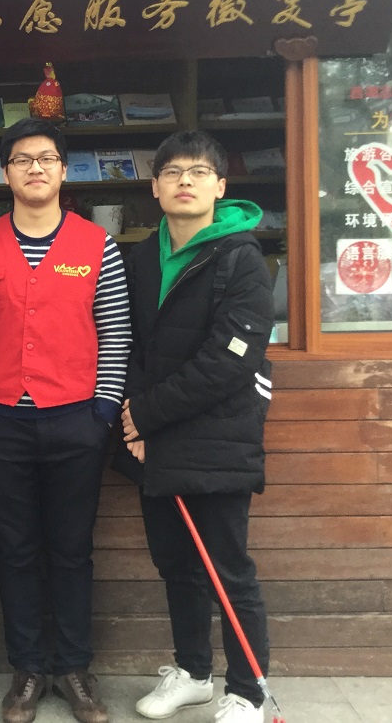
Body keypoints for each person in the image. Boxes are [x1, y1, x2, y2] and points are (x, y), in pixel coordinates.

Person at [0, 118, 131, 723]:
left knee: (72, 550)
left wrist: (103, 411)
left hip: (77, 420)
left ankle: (75, 669)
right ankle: (28, 669)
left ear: (63, 169)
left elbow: (115, 333)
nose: (35, 168)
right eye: (22, 159)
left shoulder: (97, 245)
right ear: (5, 173)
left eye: (47, 158)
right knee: (16, 550)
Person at [113, 131, 275, 723]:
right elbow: (126, 345)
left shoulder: (240, 258)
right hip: (154, 441)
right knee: (176, 564)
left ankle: (248, 692)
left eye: (199, 172)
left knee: (227, 569)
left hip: (216, 439)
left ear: (220, 186)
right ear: (155, 188)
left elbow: (230, 359)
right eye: (173, 172)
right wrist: (132, 422)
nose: (186, 181)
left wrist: (144, 415)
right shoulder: (138, 258)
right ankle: (194, 673)